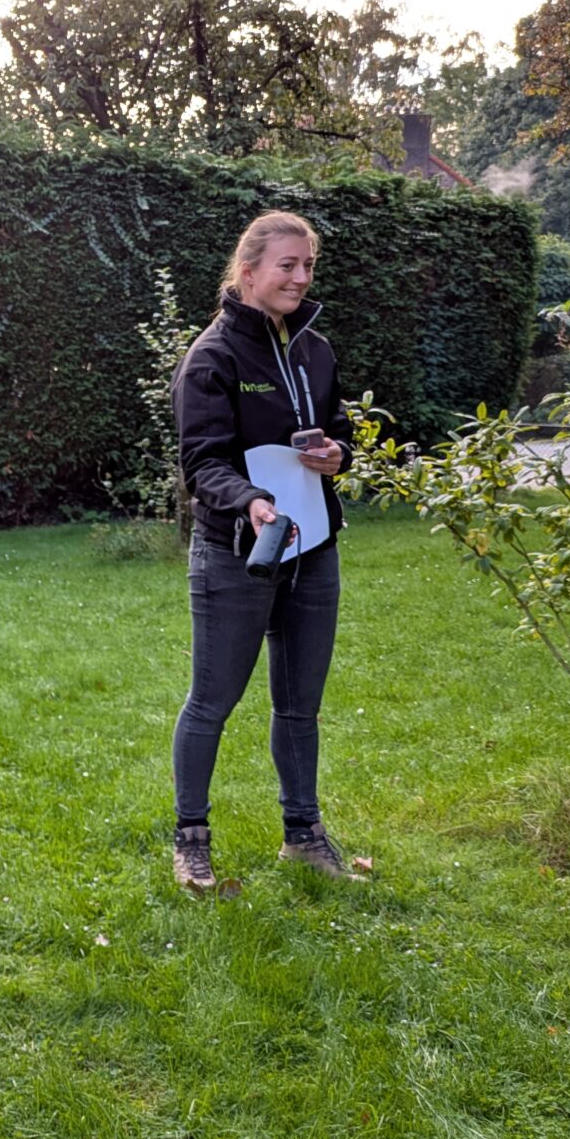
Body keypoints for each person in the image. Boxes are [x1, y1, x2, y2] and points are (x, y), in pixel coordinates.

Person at [169, 209, 360, 893]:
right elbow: (202, 462)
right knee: (212, 700)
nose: (301, 278)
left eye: (308, 266)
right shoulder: (213, 358)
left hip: (314, 548)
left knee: (299, 705)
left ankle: (303, 837)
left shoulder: (316, 349)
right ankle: (190, 840)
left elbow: (336, 428)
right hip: (237, 552)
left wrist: (339, 452)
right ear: (248, 270)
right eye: (288, 265)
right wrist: (248, 500)